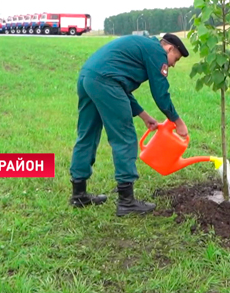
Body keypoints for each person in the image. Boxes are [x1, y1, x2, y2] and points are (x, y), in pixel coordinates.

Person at [69, 33, 189, 217]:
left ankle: (78, 194)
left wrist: (143, 115)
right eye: (176, 59)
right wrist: (177, 121)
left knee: (87, 134)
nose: (173, 64)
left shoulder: (143, 46)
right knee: (124, 138)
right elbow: (160, 93)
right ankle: (126, 202)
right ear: (169, 48)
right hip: (104, 81)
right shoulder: (157, 52)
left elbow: (119, 82)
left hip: (88, 77)